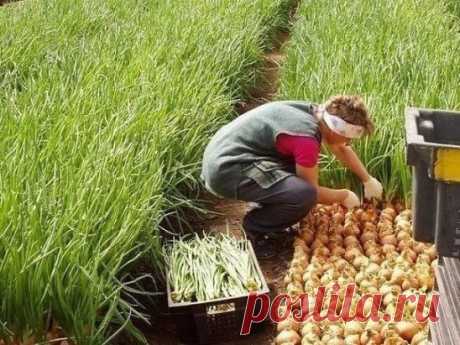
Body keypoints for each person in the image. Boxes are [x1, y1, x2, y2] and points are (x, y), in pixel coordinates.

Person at [201, 95, 383, 258]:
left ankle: (266, 209)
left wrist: (367, 179)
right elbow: (313, 193)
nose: (349, 142)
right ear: (336, 129)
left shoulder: (316, 113)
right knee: (303, 195)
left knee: (295, 176)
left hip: (226, 154)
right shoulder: (306, 138)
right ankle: (255, 230)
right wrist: (344, 196)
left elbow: (341, 147)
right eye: (349, 137)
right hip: (226, 169)